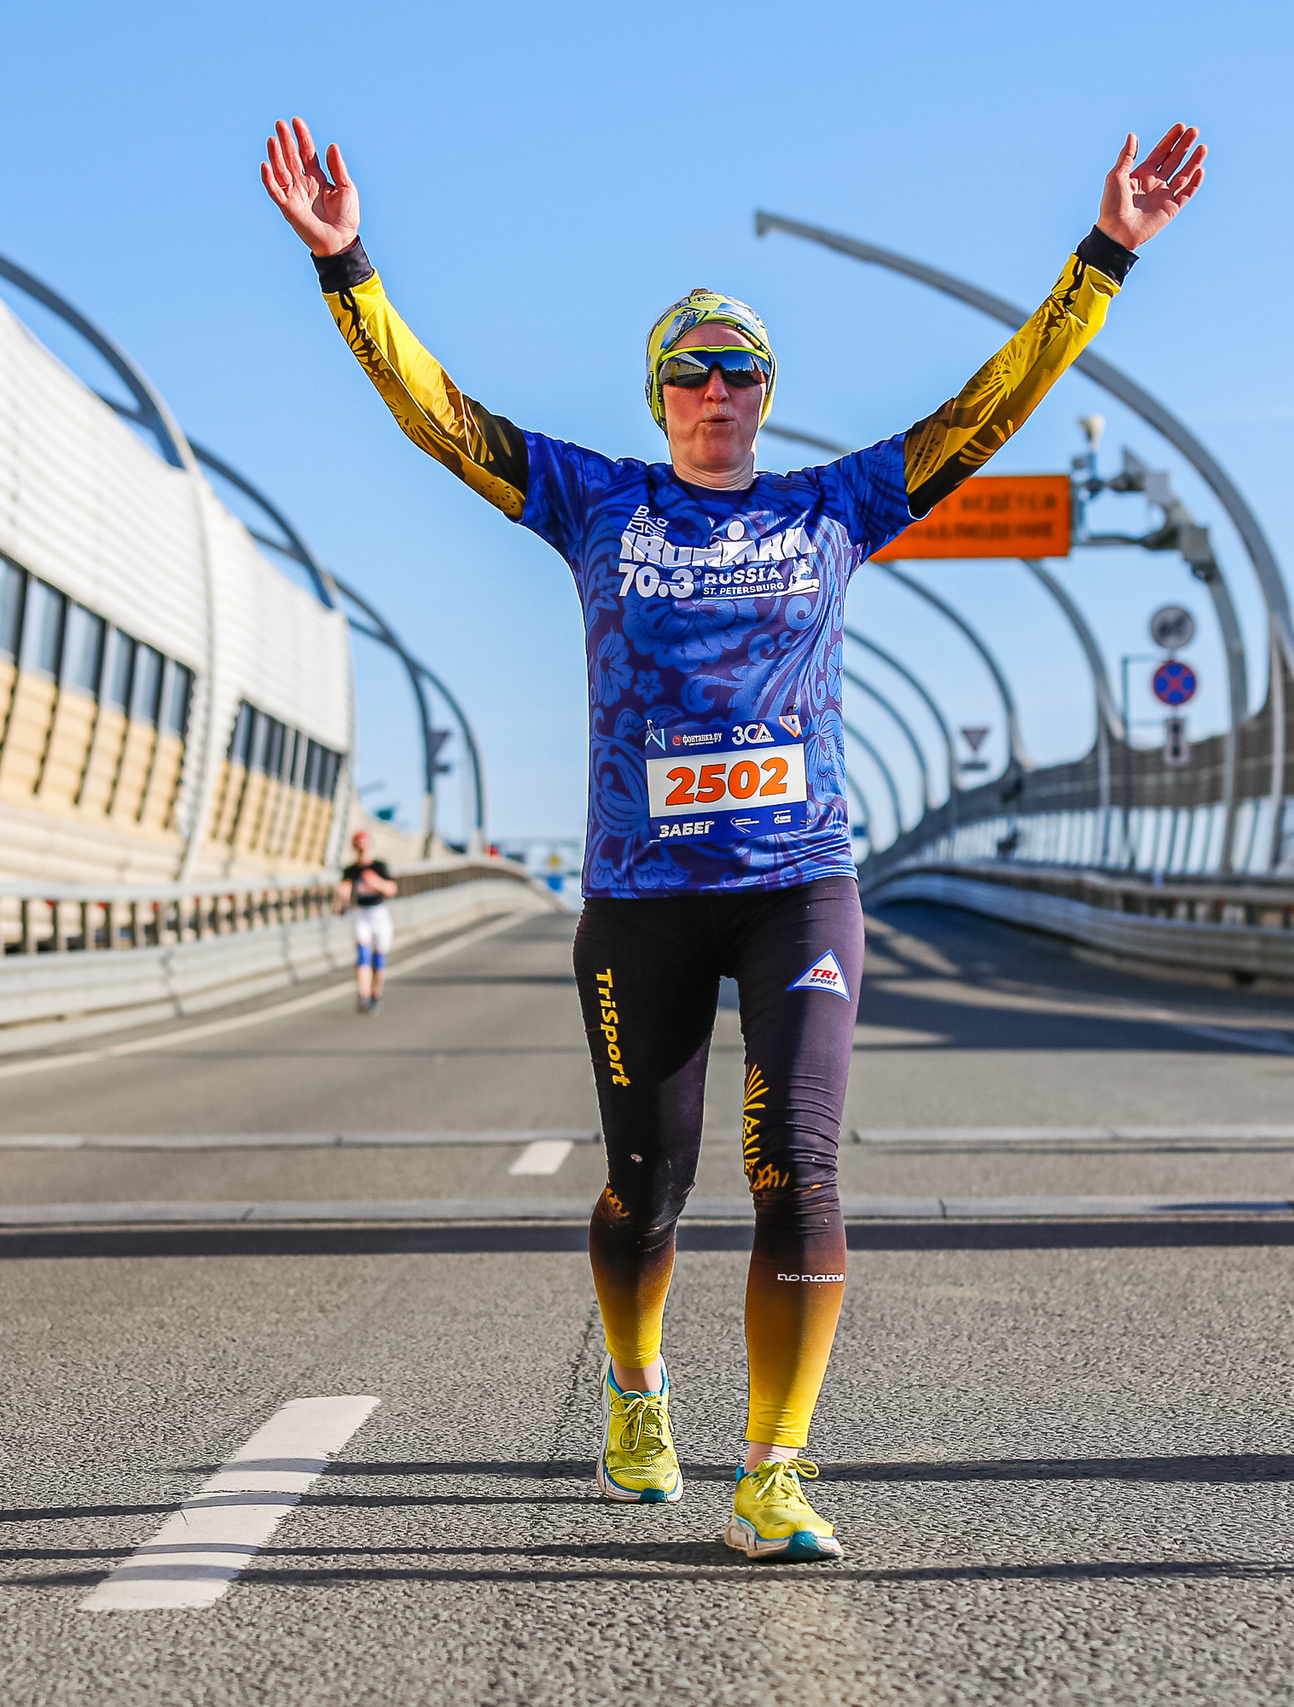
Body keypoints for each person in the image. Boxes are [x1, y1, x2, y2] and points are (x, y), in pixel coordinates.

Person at [262, 115, 1206, 1561]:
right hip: (642, 897)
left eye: (741, 370)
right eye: (692, 370)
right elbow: (442, 418)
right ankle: (637, 1396)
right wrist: (349, 271)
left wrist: (1106, 256)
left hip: (797, 885)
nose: (718, 389)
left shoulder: (833, 508)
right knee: (650, 1180)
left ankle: (776, 1468)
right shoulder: (595, 501)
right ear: (659, 395)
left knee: (801, 1168)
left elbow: (984, 413)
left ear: (770, 395)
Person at [338, 828, 398, 1013]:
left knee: (379, 959)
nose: (361, 848)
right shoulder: (350, 869)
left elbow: (392, 889)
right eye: (358, 844)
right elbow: (344, 890)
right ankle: (363, 996)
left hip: (378, 914)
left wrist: (376, 883)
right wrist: (341, 901)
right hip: (361, 913)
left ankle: (375, 995)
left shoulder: (379, 866)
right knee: (363, 955)